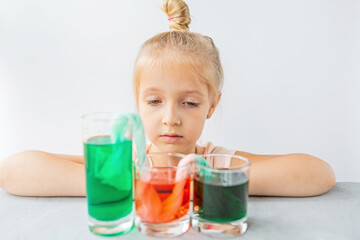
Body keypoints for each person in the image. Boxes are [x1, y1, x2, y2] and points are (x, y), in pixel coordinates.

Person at [0, 0, 335, 197]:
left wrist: (199, 183)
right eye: (154, 101)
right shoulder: (126, 163)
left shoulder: (215, 164)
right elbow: (13, 170)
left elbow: (319, 173)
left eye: (189, 103)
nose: (171, 118)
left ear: (211, 106)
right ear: (138, 102)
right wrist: (128, 184)